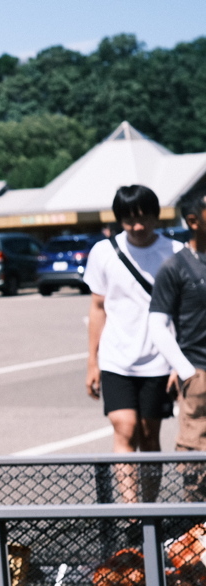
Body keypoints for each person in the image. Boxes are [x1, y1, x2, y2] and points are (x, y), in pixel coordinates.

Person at [84, 185, 182, 502]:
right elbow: (98, 308)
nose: (137, 227)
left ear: (156, 216)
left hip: (160, 360)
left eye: (144, 219)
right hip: (116, 358)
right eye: (129, 220)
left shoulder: (176, 254)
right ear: (119, 220)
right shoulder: (103, 252)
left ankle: (149, 508)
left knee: (149, 433)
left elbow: (187, 313)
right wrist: (92, 361)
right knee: (125, 428)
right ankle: (131, 513)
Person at [147, 191, 206, 499]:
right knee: (197, 462)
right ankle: (198, 535)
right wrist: (186, 371)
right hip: (200, 373)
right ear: (193, 221)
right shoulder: (176, 266)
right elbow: (156, 324)